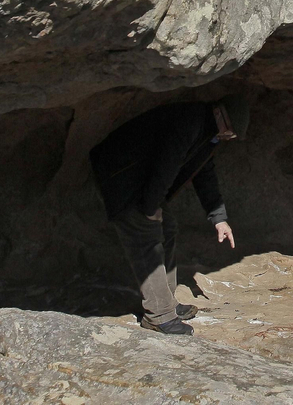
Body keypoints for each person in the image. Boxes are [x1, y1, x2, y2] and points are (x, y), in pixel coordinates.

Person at [89, 95, 250, 334]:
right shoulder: (190, 122)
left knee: (168, 227)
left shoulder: (207, 133)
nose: (227, 136)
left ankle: (167, 303)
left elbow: (204, 172)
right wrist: (150, 208)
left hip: (141, 178)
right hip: (121, 174)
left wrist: (219, 218)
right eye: (228, 130)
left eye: (231, 135)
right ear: (218, 113)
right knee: (145, 235)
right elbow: (166, 164)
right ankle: (159, 316)